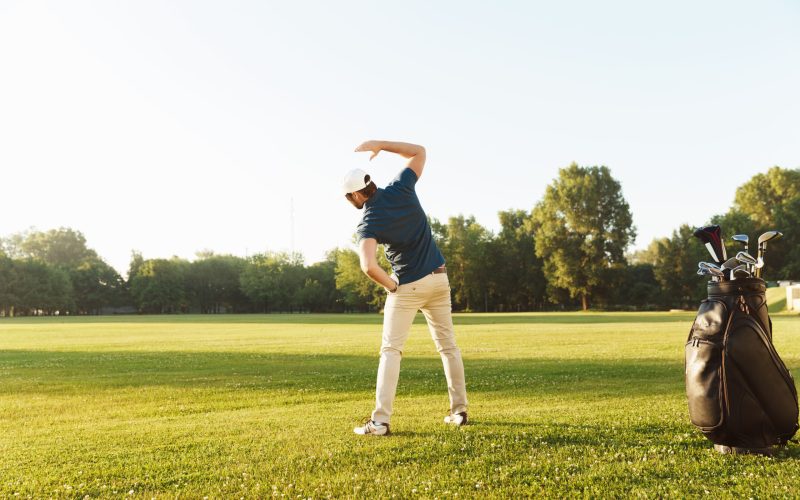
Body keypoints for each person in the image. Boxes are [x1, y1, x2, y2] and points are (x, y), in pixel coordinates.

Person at [342, 140, 468, 436]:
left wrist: (391, 285)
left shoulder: (369, 221)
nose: (352, 202)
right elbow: (420, 151)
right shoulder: (401, 187)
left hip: (408, 286)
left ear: (358, 193)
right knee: (448, 347)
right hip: (440, 279)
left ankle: (381, 421)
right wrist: (381, 146)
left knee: (391, 351)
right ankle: (459, 411)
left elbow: (368, 266)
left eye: (350, 198)